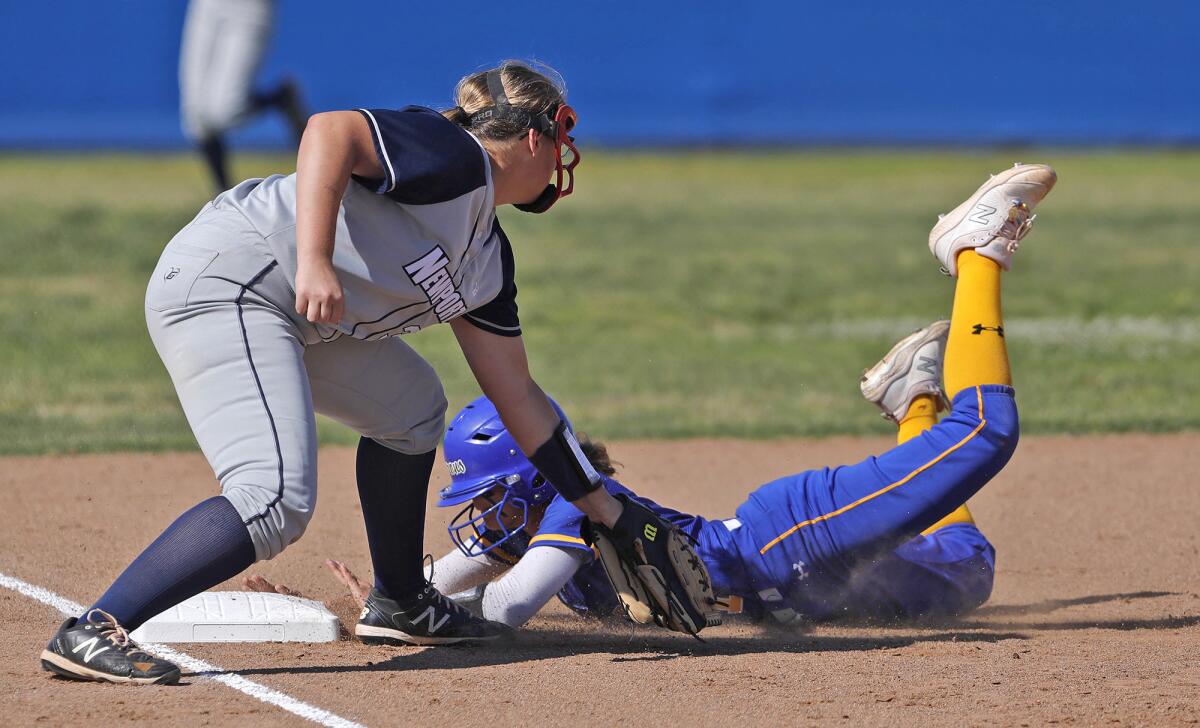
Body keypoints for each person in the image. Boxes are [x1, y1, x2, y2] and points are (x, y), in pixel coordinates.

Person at [40, 60, 680, 685]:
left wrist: (604, 510)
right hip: (232, 282)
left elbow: (517, 394)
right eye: (562, 135)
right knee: (272, 500)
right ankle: (93, 629)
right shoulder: (457, 154)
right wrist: (315, 258)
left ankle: (401, 601)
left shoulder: (486, 258)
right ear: (534, 134)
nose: (565, 156)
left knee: (412, 409)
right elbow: (330, 131)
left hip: (293, 314)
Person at [252, 163, 1055, 631]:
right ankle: (914, 393)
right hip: (796, 593)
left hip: (786, 539)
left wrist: (421, 616)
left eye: (494, 495)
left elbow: (503, 611)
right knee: (965, 579)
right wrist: (378, 597)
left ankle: (973, 255)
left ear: (537, 478)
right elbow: (449, 570)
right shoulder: (525, 520)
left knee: (986, 427)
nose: (483, 515)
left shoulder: (571, 507)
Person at [179, 0, 309, 192]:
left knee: (226, 110)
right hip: (207, 6)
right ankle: (221, 196)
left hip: (248, 9)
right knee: (195, 115)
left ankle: (281, 98)